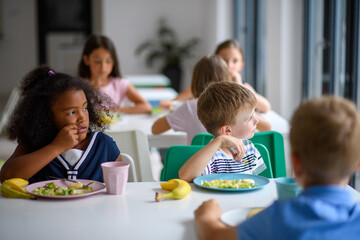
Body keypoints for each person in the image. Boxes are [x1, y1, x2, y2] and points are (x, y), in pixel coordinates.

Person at [194, 96, 360, 240]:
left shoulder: (279, 217)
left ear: (295, 162)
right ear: (357, 165)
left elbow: (214, 236)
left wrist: (207, 216)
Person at [0, 66, 122, 183]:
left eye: (85, 108)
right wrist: (56, 147)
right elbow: (6, 175)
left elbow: (120, 189)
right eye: (72, 112)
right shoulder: (34, 144)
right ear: (46, 116)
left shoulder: (104, 146)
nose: (82, 117)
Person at [159, 39, 271, 132]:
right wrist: (168, 104)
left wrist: (239, 88)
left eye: (235, 61)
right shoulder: (200, 90)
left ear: (241, 65)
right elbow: (174, 102)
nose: (229, 65)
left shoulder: (245, 88)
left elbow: (265, 107)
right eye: (224, 60)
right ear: (216, 61)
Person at [179, 81, 266, 182]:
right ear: (227, 130)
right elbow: (185, 176)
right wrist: (219, 140)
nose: (257, 120)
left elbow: (254, 183)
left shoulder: (249, 148)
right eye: (250, 118)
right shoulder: (212, 155)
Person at [152, 55, 232, 145]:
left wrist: (172, 110)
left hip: (197, 158)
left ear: (195, 81)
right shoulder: (235, 106)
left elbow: (155, 129)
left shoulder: (189, 107)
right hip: (229, 158)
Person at [78, 35, 152, 114]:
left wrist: (112, 111)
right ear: (86, 60)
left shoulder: (120, 84)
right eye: (97, 61)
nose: (103, 67)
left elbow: (146, 107)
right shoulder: (80, 87)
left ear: (113, 62)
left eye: (108, 61)